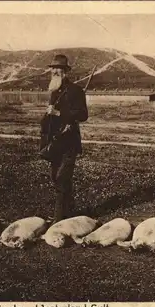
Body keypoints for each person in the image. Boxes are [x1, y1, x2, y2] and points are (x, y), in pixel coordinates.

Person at [42, 54, 88, 223]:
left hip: (69, 142)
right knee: (57, 178)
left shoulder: (76, 90)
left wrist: (61, 114)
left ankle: (58, 218)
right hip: (55, 142)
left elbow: (83, 115)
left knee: (62, 178)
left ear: (65, 71)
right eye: (53, 68)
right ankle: (69, 212)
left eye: (58, 69)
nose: (55, 71)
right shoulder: (54, 91)